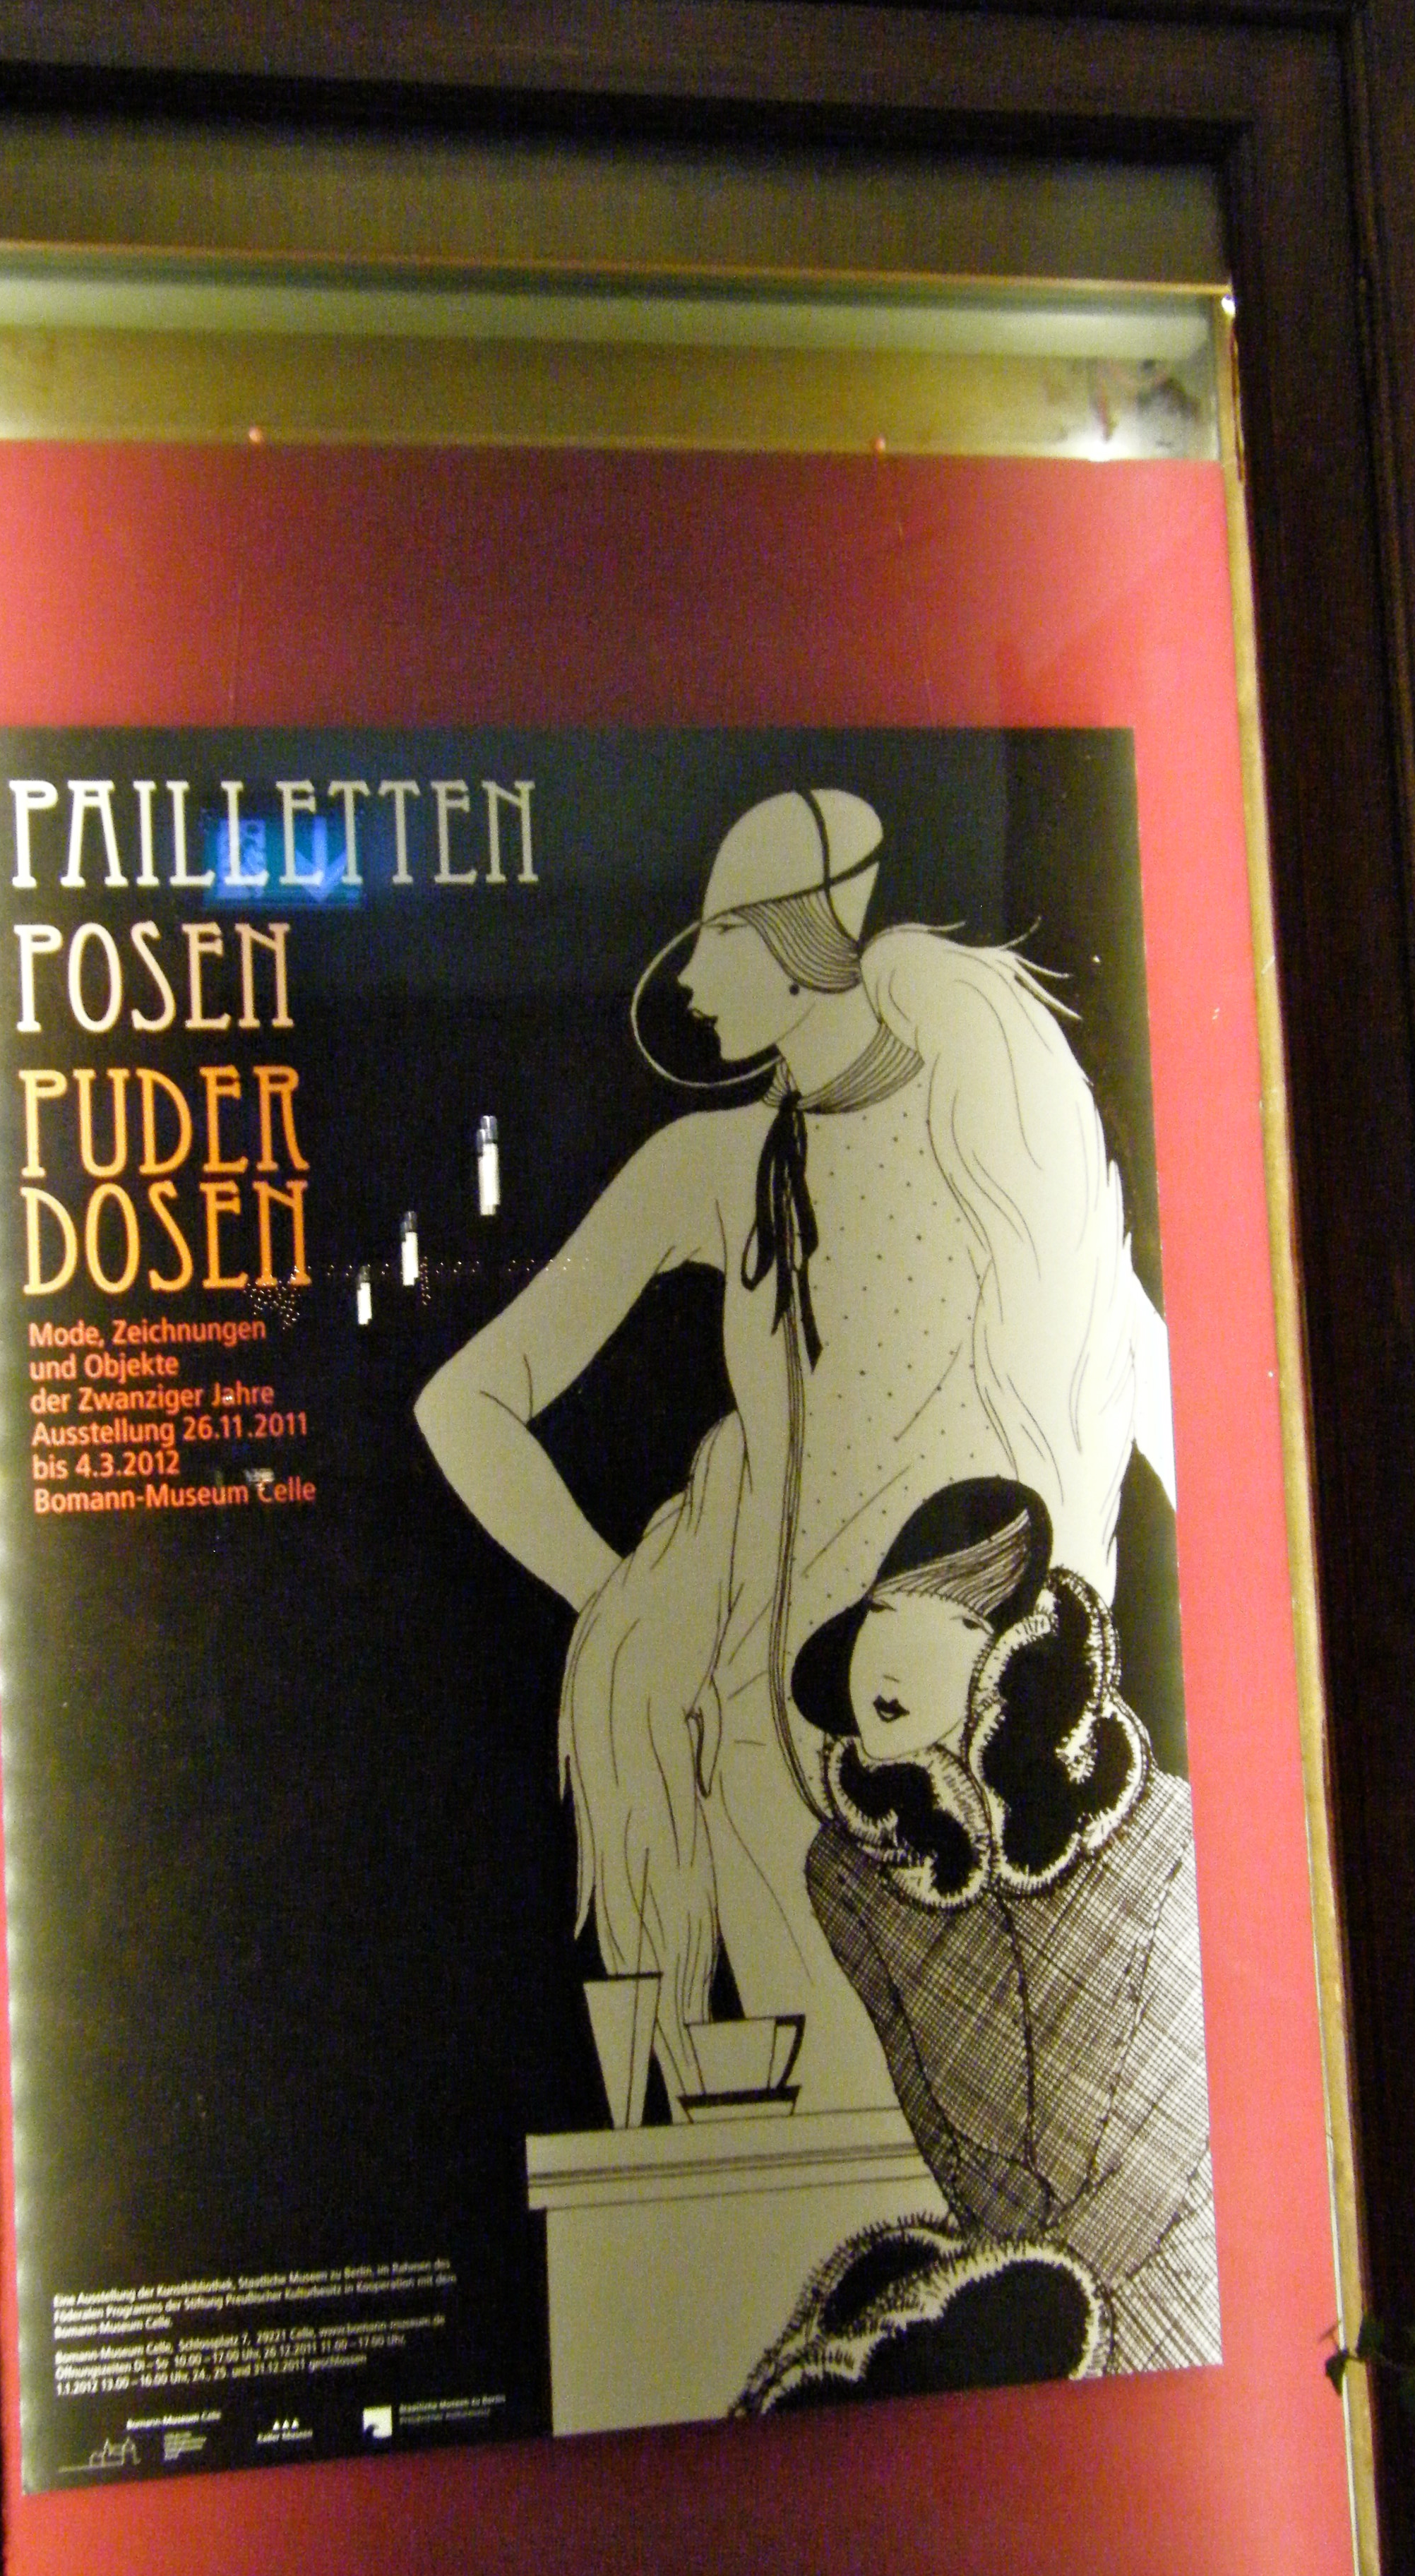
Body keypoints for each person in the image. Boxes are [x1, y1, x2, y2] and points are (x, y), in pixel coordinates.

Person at [414, 789, 1174, 2112]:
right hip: (781, 1767)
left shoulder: (999, 1131)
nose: (693, 979)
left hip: (1001, 1752)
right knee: (840, 2147)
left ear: (799, 940)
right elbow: (464, 1405)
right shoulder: (716, 1166)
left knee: (1027, 2143)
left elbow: (1150, 1386)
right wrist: (628, 1603)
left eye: (722, 936)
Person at [733, 1476, 1216, 2408]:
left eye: (943, 1620)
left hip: (1171, 2303)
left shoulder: (1157, 1832)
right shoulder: (852, 1878)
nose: (885, 1655)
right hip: (1014, 2308)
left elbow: (1162, 2156)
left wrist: (1026, 2304)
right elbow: (955, 2151)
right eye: (879, 1615)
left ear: (1008, 1658)